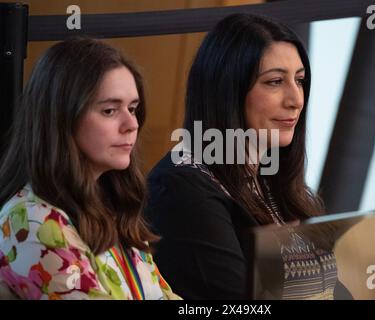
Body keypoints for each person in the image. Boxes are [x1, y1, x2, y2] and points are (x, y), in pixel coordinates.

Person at [145, 13, 344, 300]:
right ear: (228, 90)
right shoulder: (181, 187)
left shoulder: (271, 178)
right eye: (275, 81)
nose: (296, 99)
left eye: (299, 80)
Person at [0, 37, 179, 300]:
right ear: (62, 118)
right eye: (109, 110)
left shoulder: (109, 203)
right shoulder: (33, 220)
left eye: (132, 108)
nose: (132, 124)